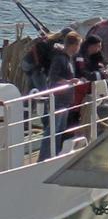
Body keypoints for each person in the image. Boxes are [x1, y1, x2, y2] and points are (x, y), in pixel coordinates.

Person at [38, 31, 82, 161]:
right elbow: (53, 77)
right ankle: (44, 157)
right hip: (58, 99)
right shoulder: (60, 58)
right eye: (78, 45)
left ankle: (54, 154)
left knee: (59, 129)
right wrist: (68, 82)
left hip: (65, 100)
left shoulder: (69, 59)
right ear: (74, 45)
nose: (79, 48)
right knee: (52, 129)